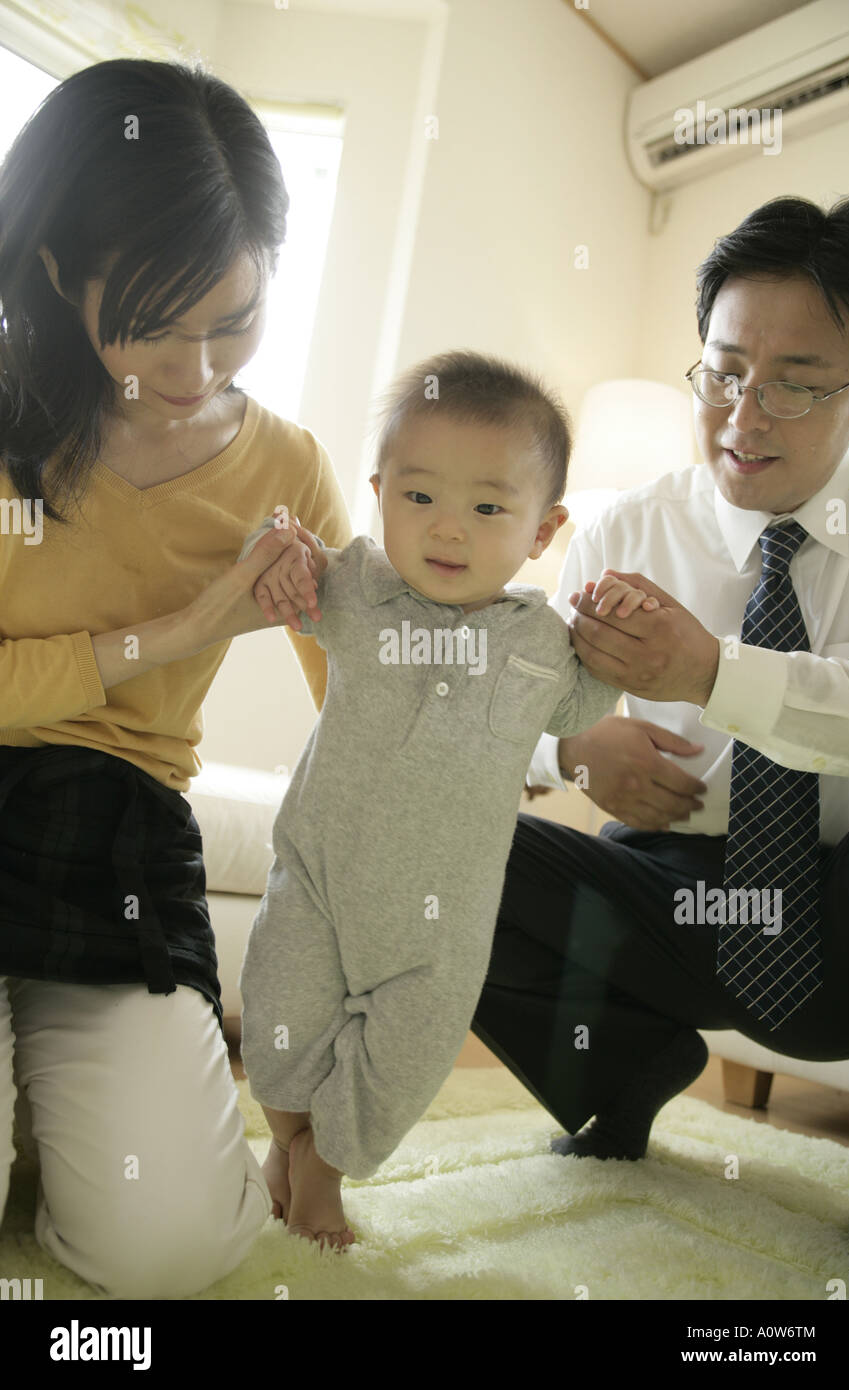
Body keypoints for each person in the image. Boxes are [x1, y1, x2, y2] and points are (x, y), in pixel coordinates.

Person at [0, 57, 355, 1298]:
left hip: (111, 837)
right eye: (153, 325)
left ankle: (50, 1115)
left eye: (233, 320)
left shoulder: (290, 471)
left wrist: (558, 746)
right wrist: (178, 626)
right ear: (57, 270)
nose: (198, 367)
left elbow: (371, 719)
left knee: (171, 1251)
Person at [470, 196, 849, 1241]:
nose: (742, 417)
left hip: (847, 908)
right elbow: (490, 712)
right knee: (417, 829)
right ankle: (617, 1066)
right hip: (669, 895)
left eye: (792, 385)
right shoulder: (626, 525)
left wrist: (709, 670)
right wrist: (569, 745)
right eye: (725, 373)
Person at [235, 348, 659, 1250]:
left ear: (543, 533)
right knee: (276, 1040)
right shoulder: (348, 585)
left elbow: (594, 703)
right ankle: (288, 1139)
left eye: (489, 508)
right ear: (381, 491)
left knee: (402, 1066)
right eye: (419, 497)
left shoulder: (548, 641)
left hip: (444, 922)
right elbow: (272, 572)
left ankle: (323, 1170)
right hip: (317, 879)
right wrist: (272, 548)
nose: (448, 530)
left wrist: (618, 624)